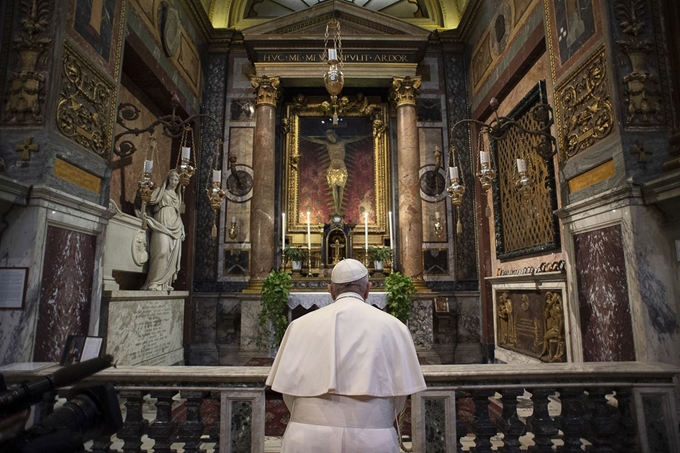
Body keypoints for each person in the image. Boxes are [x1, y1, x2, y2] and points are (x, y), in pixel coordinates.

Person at [266, 258, 426, 453]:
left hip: (306, 438)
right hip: (372, 438)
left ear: (331, 291)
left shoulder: (298, 326)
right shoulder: (394, 327)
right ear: (367, 289)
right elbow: (401, 396)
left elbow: (288, 394)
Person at [302, 129, 371, 215]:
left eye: (331, 136)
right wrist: (302, 136)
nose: (331, 139)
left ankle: (339, 209)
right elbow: (315, 140)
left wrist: (367, 134)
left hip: (341, 167)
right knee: (334, 188)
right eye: (329, 138)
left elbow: (355, 138)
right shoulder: (328, 144)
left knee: (341, 188)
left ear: (334, 135)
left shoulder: (342, 142)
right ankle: (336, 210)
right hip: (332, 167)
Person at [140, 169, 185, 290]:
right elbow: (149, 200)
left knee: (171, 254)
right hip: (161, 223)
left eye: (176, 180)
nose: (174, 182)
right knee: (162, 251)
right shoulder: (161, 191)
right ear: (168, 179)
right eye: (172, 179)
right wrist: (144, 193)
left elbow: (178, 214)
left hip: (175, 225)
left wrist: (182, 228)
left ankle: (164, 283)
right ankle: (153, 282)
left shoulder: (177, 196)